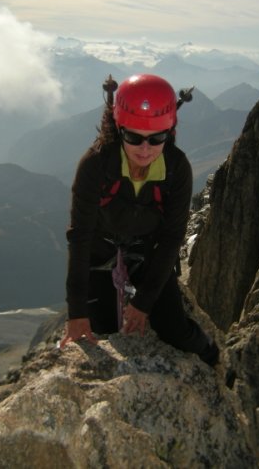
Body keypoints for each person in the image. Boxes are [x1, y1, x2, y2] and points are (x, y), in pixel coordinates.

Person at [59, 73, 219, 366]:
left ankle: (211, 354)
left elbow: (172, 237)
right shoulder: (96, 165)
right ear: (119, 128)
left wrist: (143, 303)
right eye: (133, 137)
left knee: (174, 329)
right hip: (100, 249)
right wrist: (77, 311)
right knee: (101, 326)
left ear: (169, 132)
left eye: (156, 138)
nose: (145, 150)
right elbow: (80, 235)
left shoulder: (176, 168)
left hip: (148, 251)